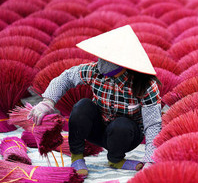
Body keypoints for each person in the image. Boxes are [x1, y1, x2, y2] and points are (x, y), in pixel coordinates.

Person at [28, 25, 162, 178]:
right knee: (82, 106)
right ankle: (77, 157)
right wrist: (47, 102)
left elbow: (153, 125)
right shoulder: (94, 72)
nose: (100, 62)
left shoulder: (144, 85)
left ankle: (116, 159)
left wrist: (150, 159)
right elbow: (65, 78)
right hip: (97, 130)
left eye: (106, 58)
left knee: (121, 125)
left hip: (125, 136)